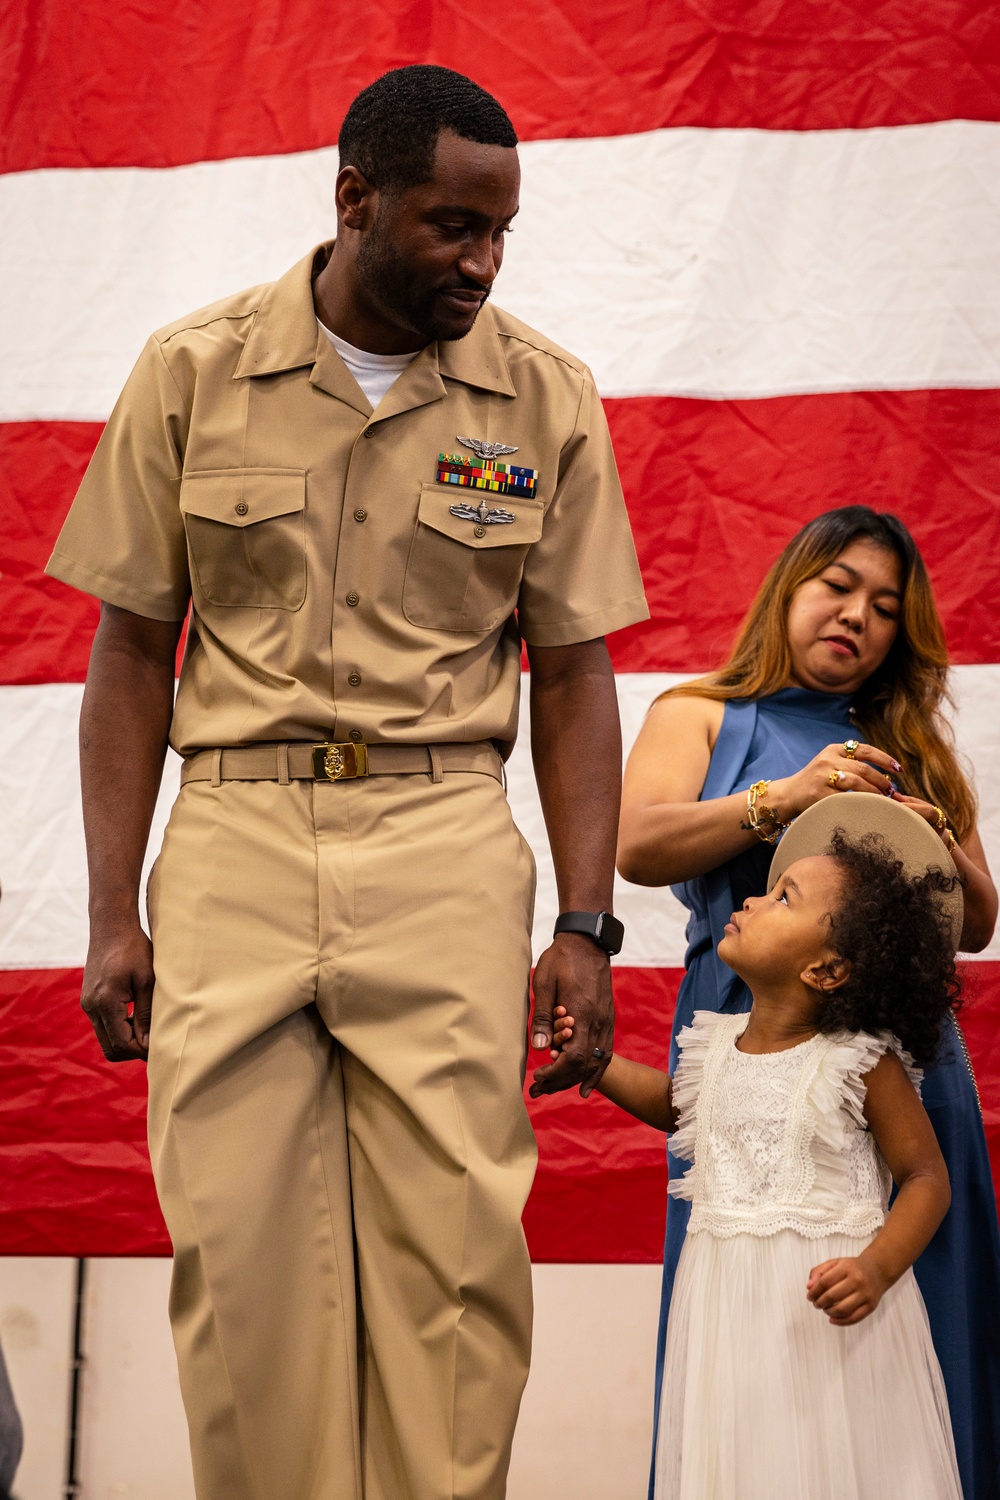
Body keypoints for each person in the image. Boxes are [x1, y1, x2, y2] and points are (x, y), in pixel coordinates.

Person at [45, 66, 648, 1500]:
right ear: (353, 201)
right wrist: (112, 911)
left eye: (502, 233)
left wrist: (586, 921)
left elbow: (570, 673)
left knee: (455, 1280)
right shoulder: (190, 370)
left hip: (441, 831)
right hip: (236, 836)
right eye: (451, 227)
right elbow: (132, 653)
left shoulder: (544, 394)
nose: (481, 263)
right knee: (246, 1276)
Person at [615, 506, 1000, 1500]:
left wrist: (933, 839)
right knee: (750, 1311)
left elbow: (974, 924)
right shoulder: (695, 712)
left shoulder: (908, 740)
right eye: (838, 586)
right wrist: (779, 799)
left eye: (883, 607)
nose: (856, 616)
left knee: (929, 1305)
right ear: (790, 586)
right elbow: (639, 846)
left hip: (905, 1065)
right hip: (743, 1046)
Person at [552, 799, 965, 1499]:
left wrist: (876, 1268)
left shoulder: (860, 1061)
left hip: (826, 1322)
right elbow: (680, 1107)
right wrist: (597, 1064)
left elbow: (925, 1177)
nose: (750, 898)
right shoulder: (712, 1043)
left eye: (783, 899)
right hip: (727, 1315)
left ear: (827, 970)